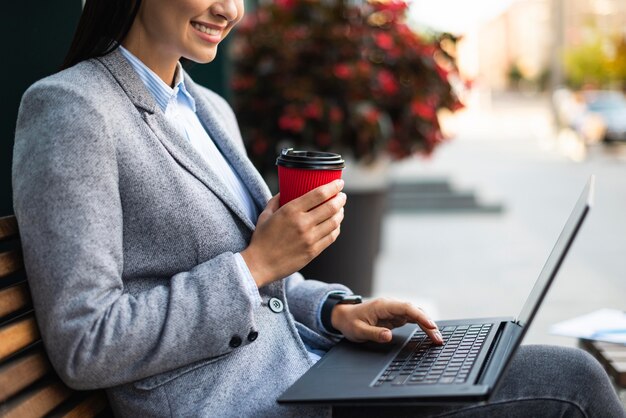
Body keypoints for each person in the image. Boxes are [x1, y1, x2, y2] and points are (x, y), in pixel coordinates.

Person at [11, 0, 624, 417]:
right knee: (575, 385)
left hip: (313, 373)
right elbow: (86, 341)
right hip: (245, 404)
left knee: (533, 365)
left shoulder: (207, 109)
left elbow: (268, 285)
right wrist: (253, 265)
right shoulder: (73, 109)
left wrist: (336, 310)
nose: (229, 8)